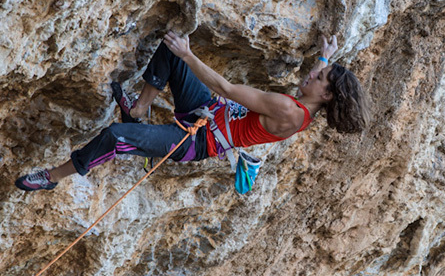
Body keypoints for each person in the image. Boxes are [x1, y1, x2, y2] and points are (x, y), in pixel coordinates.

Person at [15, 30, 370, 191]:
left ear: (326, 94)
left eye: (318, 75)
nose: (312, 73)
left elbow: (226, 88)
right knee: (170, 46)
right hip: (208, 112)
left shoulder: (288, 110)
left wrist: (190, 55)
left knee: (114, 136)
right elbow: (321, 85)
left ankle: (53, 177)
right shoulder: (308, 107)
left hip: (198, 143)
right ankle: (138, 109)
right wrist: (326, 56)